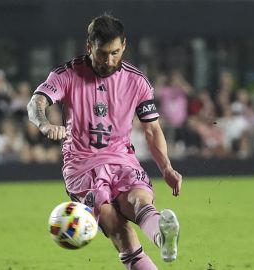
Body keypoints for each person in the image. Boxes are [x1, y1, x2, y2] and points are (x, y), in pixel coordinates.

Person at [27, 14, 182, 269]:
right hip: (81, 165)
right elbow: (36, 102)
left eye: (115, 53)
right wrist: (44, 124)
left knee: (139, 200)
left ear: (124, 46)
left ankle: (163, 237)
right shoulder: (67, 74)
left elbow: (152, 129)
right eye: (102, 53)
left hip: (122, 158)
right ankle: (159, 235)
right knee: (116, 225)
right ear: (90, 47)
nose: (109, 60)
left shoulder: (137, 81)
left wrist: (166, 167)